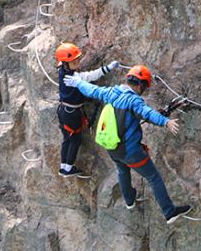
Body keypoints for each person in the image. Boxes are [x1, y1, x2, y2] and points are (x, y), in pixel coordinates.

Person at [63, 65, 192, 224]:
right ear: (140, 85)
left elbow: (92, 90)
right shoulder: (133, 100)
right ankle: (169, 212)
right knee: (154, 177)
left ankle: (129, 200)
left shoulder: (111, 92)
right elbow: (148, 113)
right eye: (144, 88)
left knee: (122, 171)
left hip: (111, 147)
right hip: (130, 151)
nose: (143, 91)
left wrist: (77, 82)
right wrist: (166, 122)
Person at [56, 43, 119, 178]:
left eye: (78, 60)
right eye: (74, 62)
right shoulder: (74, 78)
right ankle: (68, 167)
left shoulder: (62, 71)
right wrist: (108, 68)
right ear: (65, 64)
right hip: (72, 113)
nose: (77, 64)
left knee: (67, 138)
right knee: (75, 140)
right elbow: (91, 76)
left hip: (63, 110)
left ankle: (63, 166)